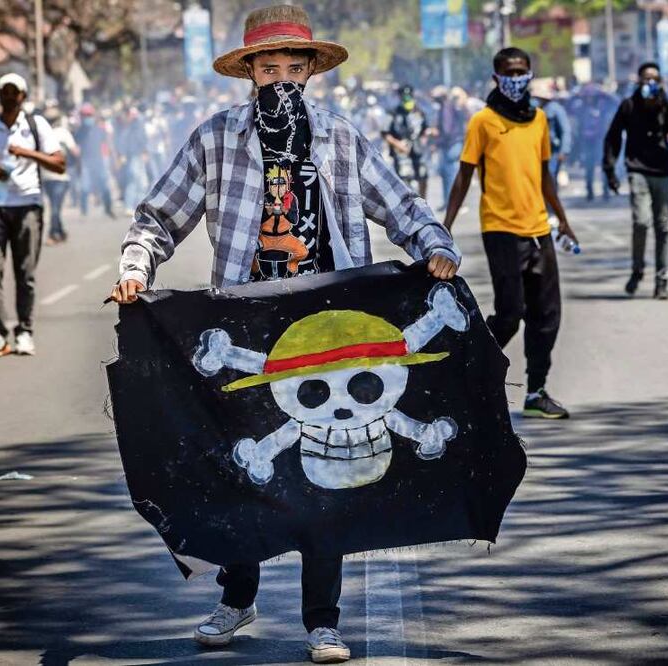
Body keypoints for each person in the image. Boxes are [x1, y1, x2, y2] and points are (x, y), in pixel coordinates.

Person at [108, 6, 459, 663]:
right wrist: (135, 270)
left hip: (328, 319)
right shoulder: (216, 140)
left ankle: (321, 621)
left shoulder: (339, 137)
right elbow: (159, 215)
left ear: (310, 73)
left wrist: (434, 245)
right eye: (267, 67)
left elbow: (400, 203)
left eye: (292, 68)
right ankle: (236, 600)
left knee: (324, 471)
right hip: (244, 320)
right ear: (248, 74)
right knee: (245, 467)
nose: (280, 78)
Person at [442, 46, 576, 420]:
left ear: (530, 75)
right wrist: (444, 227)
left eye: (522, 72)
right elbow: (464, 175)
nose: (517, 79)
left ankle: (536, 391)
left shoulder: (539, 121)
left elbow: (545, 175)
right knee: (510, 314)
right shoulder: (482, 122)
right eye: (509, 72)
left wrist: (562, 219)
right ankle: (468, 370)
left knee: (547, 314)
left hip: (538, 230)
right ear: (497, 78)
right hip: (500, 228)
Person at [0, 73, 65, 357]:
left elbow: (59, 163)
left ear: (23, 96)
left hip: (27, 204)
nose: (9, 96)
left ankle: (24, 331)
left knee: (25, 273)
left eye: (14, 92)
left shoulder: (36, 125)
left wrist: (26, 152)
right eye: (4, 91)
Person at [602, 62, 668, 299]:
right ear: (638, 81)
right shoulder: (629, 105)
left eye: (654, 79)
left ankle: (661, 281)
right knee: (641, 222)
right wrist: (610, 170)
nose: (649, 83)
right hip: (637, 170)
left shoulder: (666, 106)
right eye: (645, 79)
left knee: (663, 227)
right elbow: (613, 138)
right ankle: (637, 270)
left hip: (662, 171)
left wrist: (667, 105)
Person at [383, 85, 431, 199]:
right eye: (404, 95)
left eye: (409, 95)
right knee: (405, 180)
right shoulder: (393, 113)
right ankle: (408, 207)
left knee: (423, 176)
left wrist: (424, 140)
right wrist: (397, 144)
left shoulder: (419, 112)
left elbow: (425, 129)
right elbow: (385, 133)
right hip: (401, 152)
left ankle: (423, 203)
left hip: (418, 150)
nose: (407, 97)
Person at [41, 105, 78, 244]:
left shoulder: (43, 134)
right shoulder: (63, 133)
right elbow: (75, 151)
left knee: (54, 206)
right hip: (61, 176)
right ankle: (55, 233)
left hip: (47, 176)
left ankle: (57, 232)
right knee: (55, 206)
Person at [74, 103, 115, 218]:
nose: (87, 118)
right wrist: (78, 163)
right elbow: (76, 148)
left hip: (99, 161)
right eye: (85, 115)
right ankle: (84, 211)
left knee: (104, 186)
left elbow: (109, 144)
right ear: (81, 117)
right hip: (85, 162)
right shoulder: (79, 132)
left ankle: (108, 208)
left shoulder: (99, 129)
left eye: (89, 115)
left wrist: (113, 160)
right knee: (84, 187)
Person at [529, 79, 571, 184]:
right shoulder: (531, 109)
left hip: (552, 151)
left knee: (550, 178)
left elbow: (565, 130)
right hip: (535, 150)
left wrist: (564, 150)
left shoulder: (556, 109)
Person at [433, 85, 468, 209]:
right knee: (447, 173)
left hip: (452, 143)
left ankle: (454, 203)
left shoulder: (446, 108)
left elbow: (447, 129)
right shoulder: (448, 106)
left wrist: (437, 136)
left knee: (450, 174)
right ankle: (449, 202)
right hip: (452, 143)